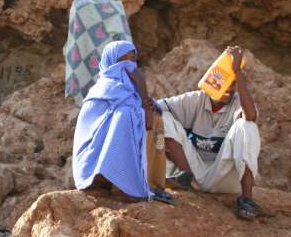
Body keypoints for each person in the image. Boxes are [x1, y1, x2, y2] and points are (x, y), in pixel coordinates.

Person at [158, 45, 262, 220]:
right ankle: (184, 178)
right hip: (194, 172)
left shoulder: (239, 103)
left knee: (247, 126)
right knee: (160, 118)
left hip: (224, 176)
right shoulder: (196, 99)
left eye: (233, 84)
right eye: (225, 82)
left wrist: (237, 70)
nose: (229, 89)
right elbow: (157, 108)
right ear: (211, 81)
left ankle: (246, 198)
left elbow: (250, 115)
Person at [72, 40, 157, 202]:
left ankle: (130, 180)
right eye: (121, 60)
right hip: (91, 165)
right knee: (125, 116)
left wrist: (142, 89)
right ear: (110, 62)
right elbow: (138, 117)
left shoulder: (131, 91)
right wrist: (141, 89)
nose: (127, 65)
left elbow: (148, 120)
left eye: (131, 60)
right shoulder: (103, 90)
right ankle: (120, 184)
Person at [64, 0, 132, 104]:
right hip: (84, 48)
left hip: (106, 47)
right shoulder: (79, 3)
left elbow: (121, 29)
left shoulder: (114, 4)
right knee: (86, 76)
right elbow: (75, 31)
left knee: (106, 77)